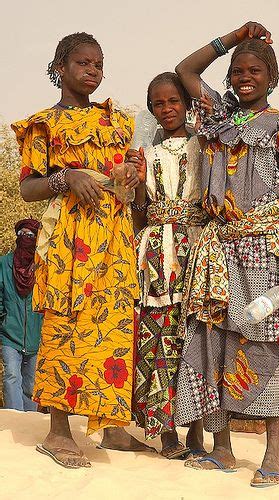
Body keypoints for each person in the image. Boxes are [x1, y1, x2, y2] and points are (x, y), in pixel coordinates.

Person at [173, 21, 279, 487]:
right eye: (237, 71)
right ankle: (223, 450)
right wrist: (234, 38)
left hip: (261, 251)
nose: (242, 77)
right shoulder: (219, 117)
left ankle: (273, 456)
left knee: (263, 346)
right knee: (210, 343)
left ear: (271, 78)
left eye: (254, 71)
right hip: (216, 250)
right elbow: (185, 69)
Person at [11, 32, 140, 469]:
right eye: (83, 63)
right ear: (61, 67)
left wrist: (129, 179)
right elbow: (28, 187)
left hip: (114, 236)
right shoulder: (44, 123)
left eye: (99, 64)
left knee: (115, 328)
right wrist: (66, 178)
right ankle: (59, 432)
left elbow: (121, 180)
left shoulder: (117, 121)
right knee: (67, 325)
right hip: (71, 240)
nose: (92, 71)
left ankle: (114, 429)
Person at [127, 72, 207, 458]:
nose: (167, 109)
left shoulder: (205, 147)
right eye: (158, 104)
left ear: (187, 103)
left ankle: (197, 431)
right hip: (157, 256)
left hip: (196, 251)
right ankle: (167, 433)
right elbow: (140, 216)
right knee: (160, 340)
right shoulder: (148, 156)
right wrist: (140, 184)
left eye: (174, 101)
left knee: (195, 338)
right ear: (151, 110)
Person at [0, 219, 42, 411]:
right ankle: (14, 420)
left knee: (31, 384)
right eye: (22, 234)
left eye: (31, 235)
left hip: (36, 335)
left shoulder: (42, 266)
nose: (26, 238)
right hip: (10, 334)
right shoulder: (4, 264)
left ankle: (30, 423)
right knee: (12, 376)